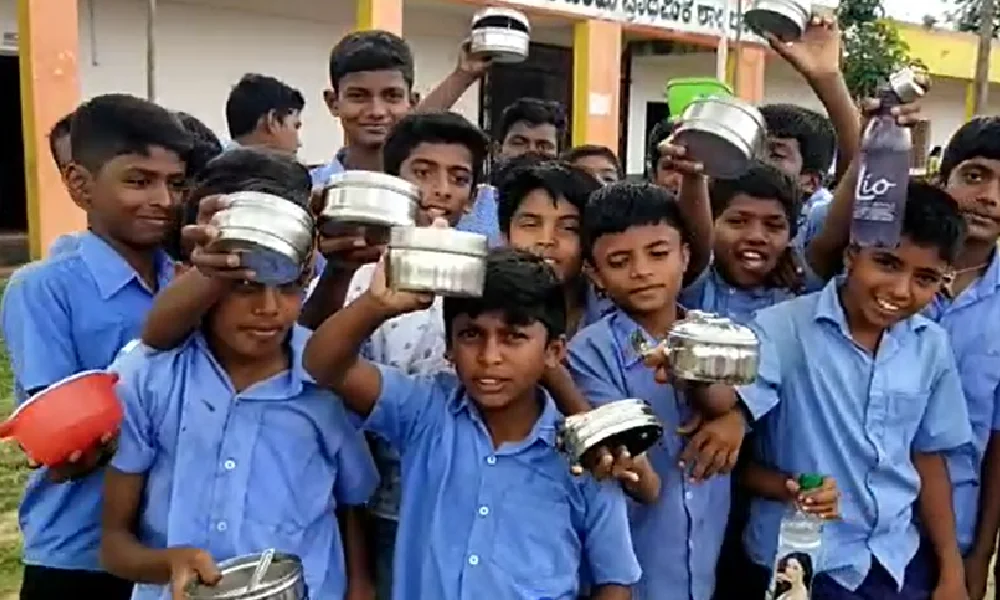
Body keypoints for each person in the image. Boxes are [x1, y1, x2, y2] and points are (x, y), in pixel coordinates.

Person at [100, 153, 378, 600]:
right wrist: (167, 562)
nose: (269, 309)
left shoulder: (329, 382)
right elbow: (114, 545)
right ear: (201, 271)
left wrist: (360, 587)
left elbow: (352, 503)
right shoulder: (151, 378)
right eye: (244, 285)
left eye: (289, 286)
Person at [303, 247, 642, 600]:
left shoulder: (587, 457)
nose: (489, 357)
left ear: (553, 352)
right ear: (448, 348)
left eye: (514, 337)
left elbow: (615, 581)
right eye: (471, 335)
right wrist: (376, 305)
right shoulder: (426, 411)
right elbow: (323, 364)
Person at [731, 181, 972, 599]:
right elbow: (736, 452)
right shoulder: (780, 331)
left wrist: (951, 570)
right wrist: (791, 485)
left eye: (926, 278)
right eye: (887, 263)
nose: (900, 290)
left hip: (896, 563)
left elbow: (928, 458)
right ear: (851, 254)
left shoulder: (931, 345)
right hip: (801, 568)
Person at [0, 93, 192, 600]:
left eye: (175, 183)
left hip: (166, 551)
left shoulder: (188, 282)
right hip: (79, 553)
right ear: (80, 185)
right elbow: (65, 448)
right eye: (138, 181)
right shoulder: (43, 288)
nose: (164, 201)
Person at [567, 181, 748, 600]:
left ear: (686, 255)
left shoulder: (719, 335)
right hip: (631, 568)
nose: (642, 271)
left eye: (658, 253)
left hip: (704, 566)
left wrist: (714, 397)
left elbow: (731, 404)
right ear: (595, 274)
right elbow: (634, 472)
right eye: (619, 260)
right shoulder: (589, 354)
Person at [921, 116, 1000, 600]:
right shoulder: (884, 274)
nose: (991, 196)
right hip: (854, 529)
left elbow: (997, 439)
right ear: (941, 180)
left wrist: (979, 557)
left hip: (958, 526)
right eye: (975, 176)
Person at [224, 73, 304, 154]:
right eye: (295, 126)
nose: (299, 143)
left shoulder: (218, 163)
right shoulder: (271, 165)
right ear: (274, 121)